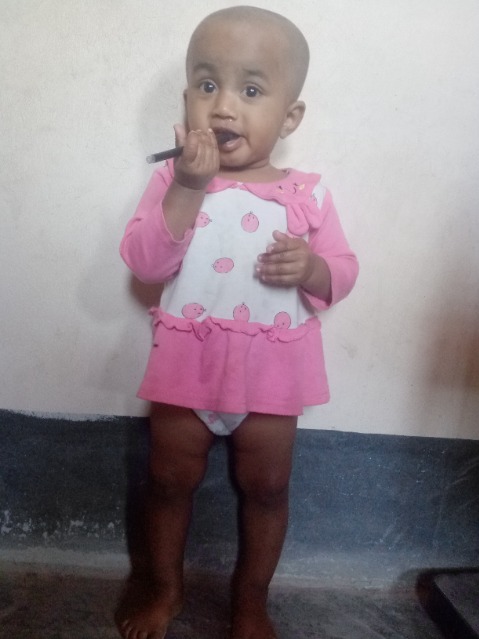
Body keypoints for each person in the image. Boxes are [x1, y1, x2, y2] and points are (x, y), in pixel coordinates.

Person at [116, 6, 359, 639]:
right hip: (186, 369)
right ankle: (164, 588)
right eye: (207, 85)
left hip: (273, 375)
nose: (223, 107)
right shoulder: (173, 178)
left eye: (251, 91)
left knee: (268, 488)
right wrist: (187, 187)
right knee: (167, 481)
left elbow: (344, 271)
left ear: (290, 117)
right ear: (187, 101)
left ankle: (250, 601)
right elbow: (144, 261)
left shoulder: (308, 194)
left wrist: (312, 268)